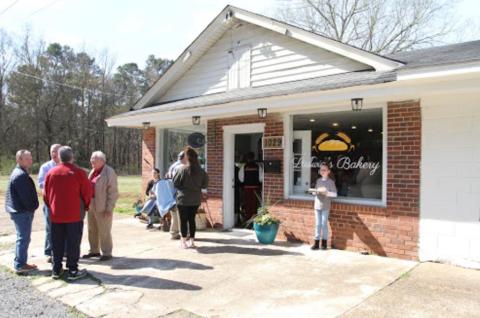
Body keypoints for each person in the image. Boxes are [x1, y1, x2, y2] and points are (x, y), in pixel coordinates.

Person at [44, 146, 92, 280]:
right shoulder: (79, 173)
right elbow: (87, 193)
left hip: (56, 215)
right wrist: (86, 206)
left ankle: (56, 269)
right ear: (72, 157)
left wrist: (52, 206)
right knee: (73, 243)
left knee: (56, 242)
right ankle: (72, 270)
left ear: (59, 157)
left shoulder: (51, 173)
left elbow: (46, 195)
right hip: (74, 215)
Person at [5, 150, 39, 274]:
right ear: (19, 160)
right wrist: (31, 208)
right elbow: (25, 197)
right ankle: (20, 264)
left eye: (30, 158)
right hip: (21, 212)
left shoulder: (20, 172)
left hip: (19, 211)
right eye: (27, 158)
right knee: (23, 238)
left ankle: (21, 262)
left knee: (23, 237)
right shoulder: (20, 175)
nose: (31, 160)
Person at [83, 151, 118, 261]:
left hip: (103, 206)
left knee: (104, 230)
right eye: (91, 158)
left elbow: (113, 192)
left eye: (94, 159)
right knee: (92, 229)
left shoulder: (109, 172)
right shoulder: (93, 171)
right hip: (91, 204)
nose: (91, 161)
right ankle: (94, 250)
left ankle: (107, 252)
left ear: (102, 161)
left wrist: (109, 208)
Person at [173, 147, 208, 249]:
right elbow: (204, 185)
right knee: (191, 220)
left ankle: (183, 242)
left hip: (183, 199)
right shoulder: (201, 171)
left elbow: (175, 183)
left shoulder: (181, 169)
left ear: (187, 157)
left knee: (183, 221)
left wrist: (183, 188)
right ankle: (192, 241)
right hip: (195, 199)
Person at [38, 143, 61, 263]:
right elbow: (41, 183)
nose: (54, 154)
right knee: (50, 228)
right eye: (52, 151)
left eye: (57, 151)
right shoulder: (46, 167)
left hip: (63, 203)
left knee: (64, 228)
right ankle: (49, 252)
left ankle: (64, 251)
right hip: (50, 202)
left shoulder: (66, 165)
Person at [310, 163, 337, 250]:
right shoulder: (318, 181)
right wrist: (314, 192)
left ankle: (324, 243)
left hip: (325, 205)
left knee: (323, 224)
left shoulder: (331, 182)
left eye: (324, 170)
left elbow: (335, 194)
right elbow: (315, 191)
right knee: (318, 224)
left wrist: (327, 193)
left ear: (328, 171)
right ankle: (316, 242)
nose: (322, 171)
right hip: (317, 204)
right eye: (321, 170)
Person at [165, 151, 187, 240]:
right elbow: (181, 182)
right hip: (178, 194)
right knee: (182, 216)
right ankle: (185, 235)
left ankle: (174, 234)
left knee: (174, 216)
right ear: (184, 158)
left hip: (171, 195)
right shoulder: (180, 167)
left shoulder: (172, 166)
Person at [238, 152, 263, 221]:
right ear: (253, 157)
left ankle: (248, 219)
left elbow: (241, 178)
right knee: (254, 204)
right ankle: (254, 219)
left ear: (247, 158)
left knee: (247, 203)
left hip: (247, 188)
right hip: (255, 188)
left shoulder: (244, 166)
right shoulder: (258, 167)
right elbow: (261, 178)